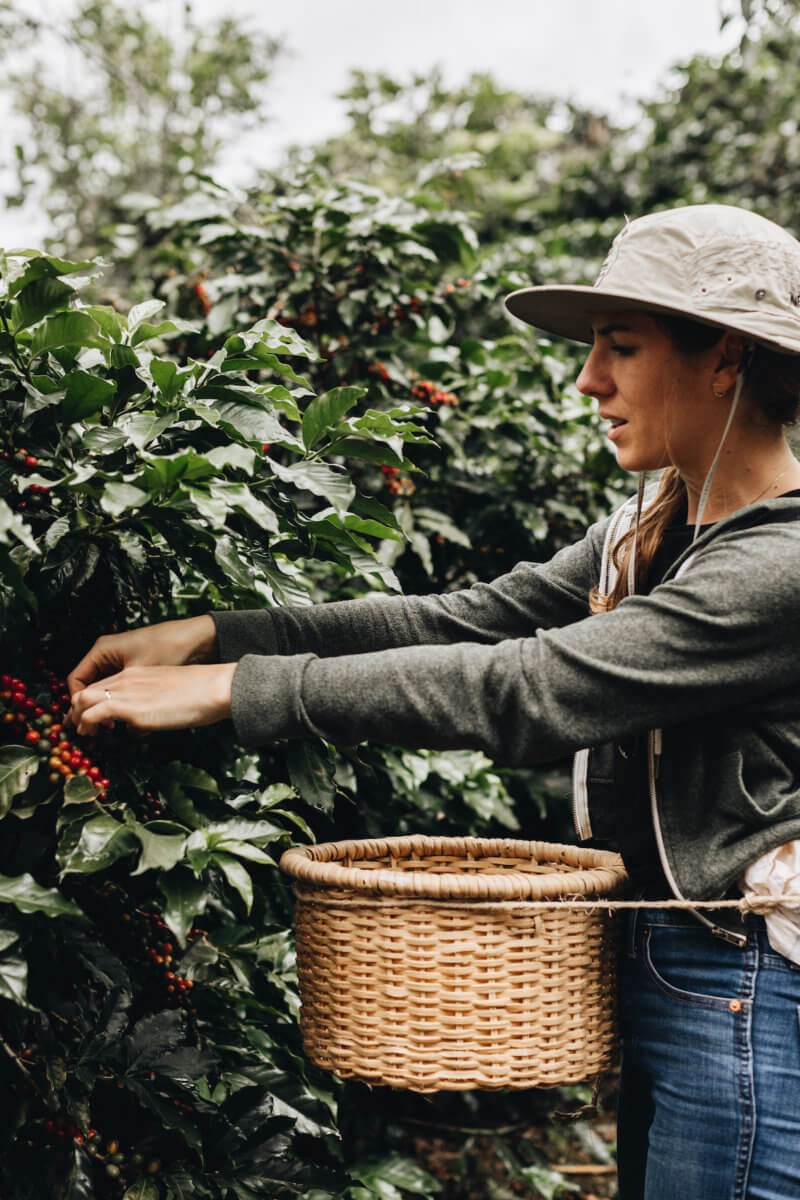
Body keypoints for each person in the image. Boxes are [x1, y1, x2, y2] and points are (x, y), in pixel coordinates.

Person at [68, 204, 800, 1199]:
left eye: (621, 347)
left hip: (747, 980)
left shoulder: (776, 563)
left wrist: (241, 689)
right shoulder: (648, 528)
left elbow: (534, 687)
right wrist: (220, 634)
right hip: (675, 962)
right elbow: (468, 620)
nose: (588, 379)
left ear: (725, 358)